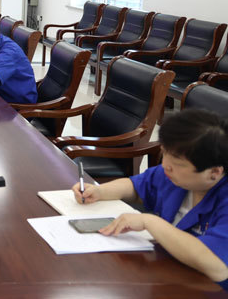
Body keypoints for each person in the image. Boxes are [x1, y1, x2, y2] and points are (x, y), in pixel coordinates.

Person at [72, 109, 228, 289]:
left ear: (214, 172)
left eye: (178, 163)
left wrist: (149, 222)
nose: (165, 165)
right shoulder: (174, 175)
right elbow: (137, 187)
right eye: (164, 153)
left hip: (206, 289)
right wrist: (100, 192)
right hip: (168, 272)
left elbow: (217, 267)